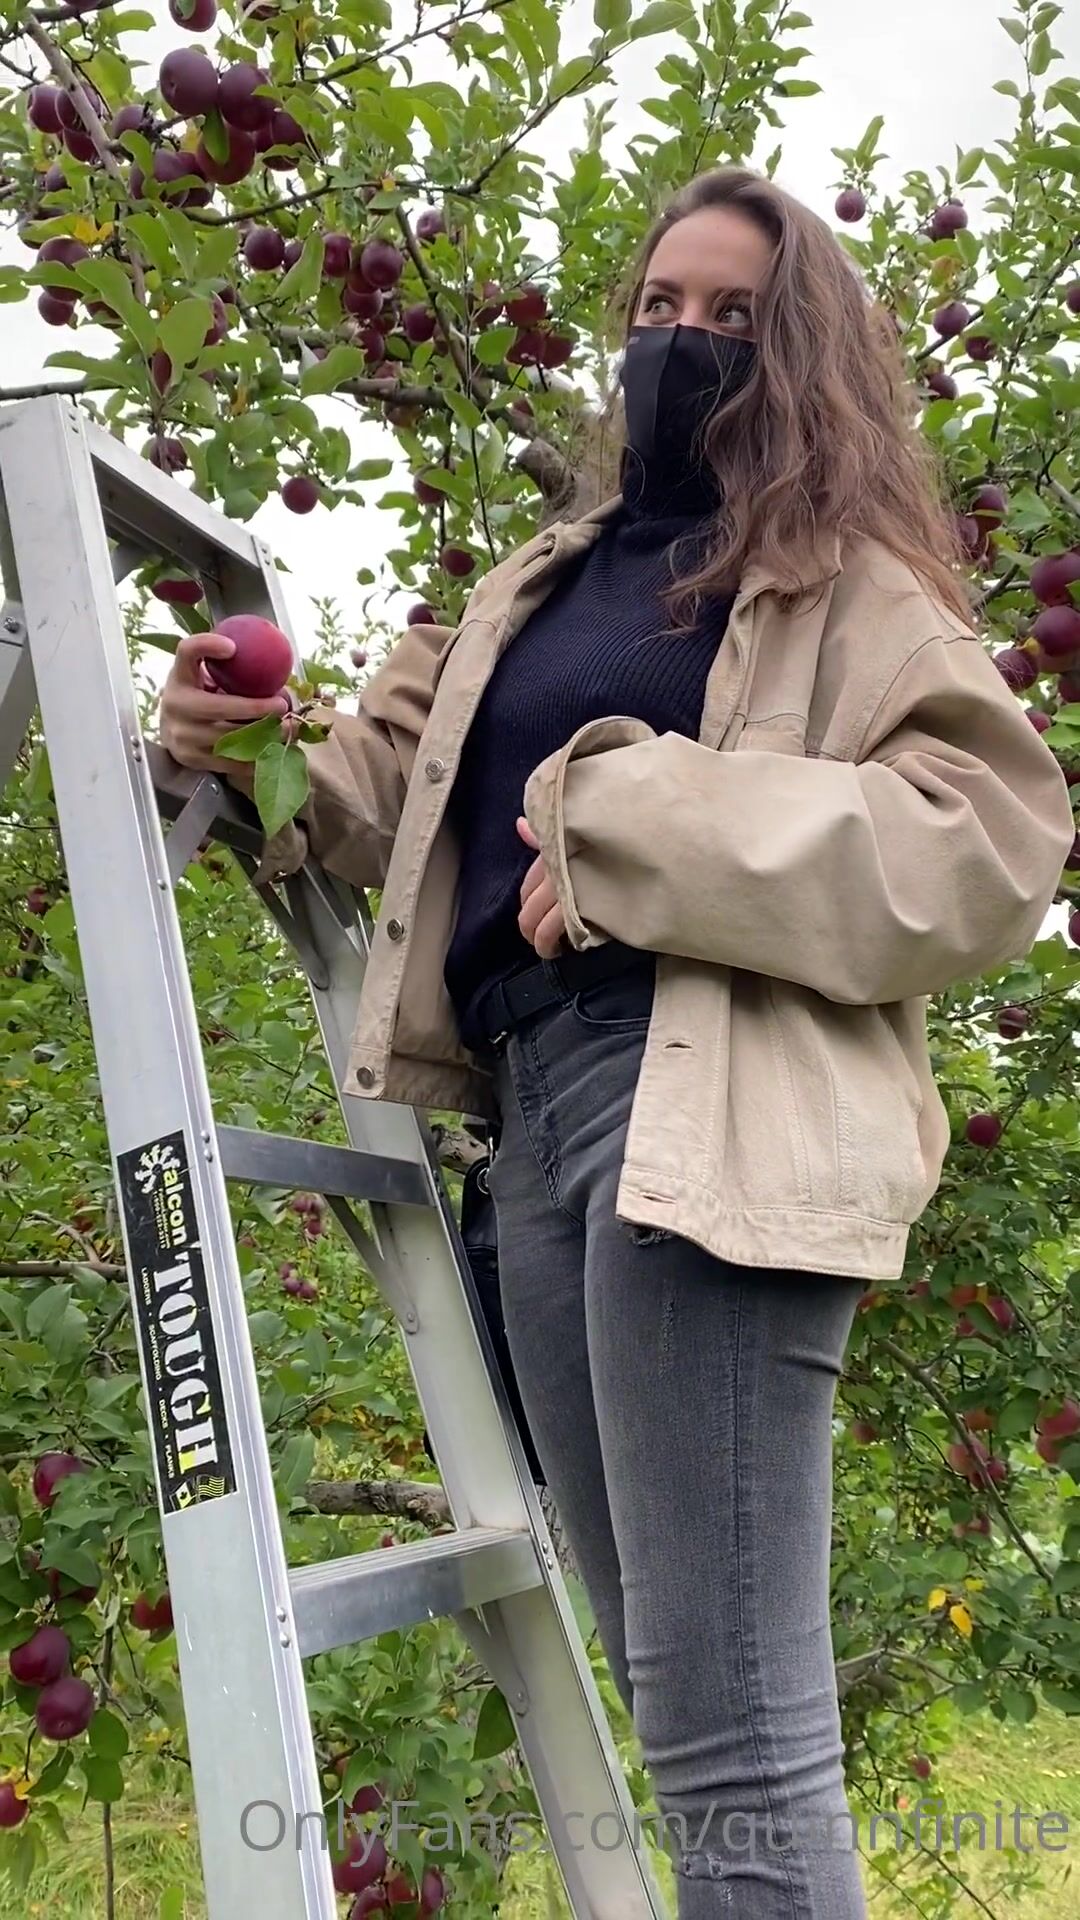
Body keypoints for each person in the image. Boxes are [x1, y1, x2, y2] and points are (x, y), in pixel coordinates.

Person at [158, 166, 1075, 1918]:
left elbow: (987, 845)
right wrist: (246, 744)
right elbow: (388, 795)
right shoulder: (538, 584)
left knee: (735, 1733)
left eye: (733, 316)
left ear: (805, 354)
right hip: (531, 1126)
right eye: (660, 307)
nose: (683, 340)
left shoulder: (851, 589)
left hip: (705, 1101)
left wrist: (629, 820)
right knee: (672, 1694)